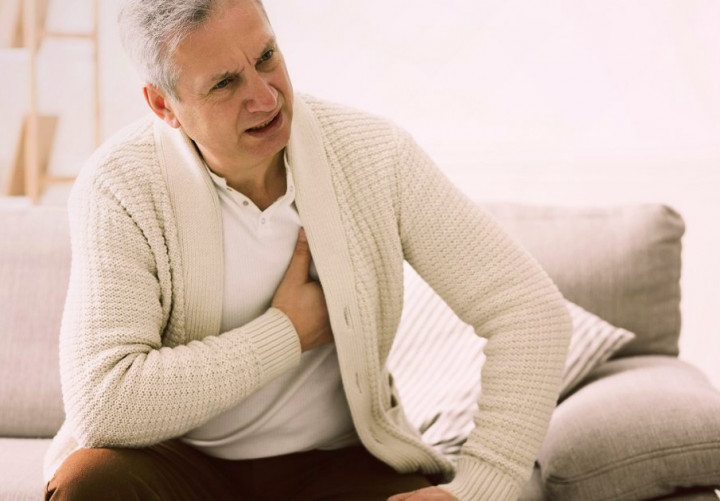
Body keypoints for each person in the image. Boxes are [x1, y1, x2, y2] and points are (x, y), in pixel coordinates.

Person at [42, 0, 572, 499]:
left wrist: (481, 483)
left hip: (336, 462)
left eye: (266, 57)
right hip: (178, 464)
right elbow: (104, 404)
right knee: (91, 485)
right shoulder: (119, 186)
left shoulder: (374, 155)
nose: (265, 97)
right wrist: (287, 332)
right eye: (225, 83)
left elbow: (529, 311)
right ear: (165, 106)